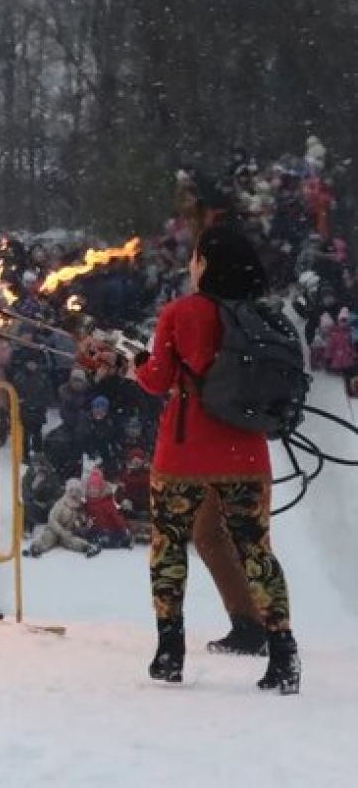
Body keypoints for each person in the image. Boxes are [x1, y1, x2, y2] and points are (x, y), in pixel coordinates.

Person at [131, 224, 299, 693]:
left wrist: (136, 365)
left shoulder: (180, 313)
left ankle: (170, 649)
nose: (191, 264)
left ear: (205, 263)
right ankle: (283, 652)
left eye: (196, 257)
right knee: (256, 551)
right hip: (245, 451)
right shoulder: (260, 315)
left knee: (168, 545)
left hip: (183, 452)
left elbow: (157, 379)